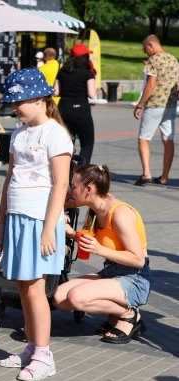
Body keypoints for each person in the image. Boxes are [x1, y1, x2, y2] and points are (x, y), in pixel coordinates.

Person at [0, 68, 73, 381]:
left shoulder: (55, 133)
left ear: (39, 98)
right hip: (17, 216)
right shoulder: (19, 133)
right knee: (23, 286)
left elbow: (61, 183)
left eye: (19, 102)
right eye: (12, 103)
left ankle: (44, 355)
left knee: (36, 288)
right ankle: (32, 346)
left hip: (41, 219)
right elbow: (9, 179)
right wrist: (0, 222)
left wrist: (48, 228)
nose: (14, 108)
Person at [53, 165, 151, 344]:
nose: (70, 191)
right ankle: (116, 314)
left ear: (88, 189)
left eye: (74, 186)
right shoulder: (95, 205)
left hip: (134, 278)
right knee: (58, 297)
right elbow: (60, 200)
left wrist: (100, 250)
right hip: (111, 271)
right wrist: (70, 230)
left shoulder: (119, 213)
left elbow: (138, 260)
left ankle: (128, 314)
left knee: (76, 297)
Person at [134, 35, 179, 187]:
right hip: (171, 105)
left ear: (150, 45)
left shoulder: (153, 60)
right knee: (168, 140)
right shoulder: (173, 60)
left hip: (154, 105)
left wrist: (140, 105)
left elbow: (150, 86)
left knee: (143, 138)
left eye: (145, 49)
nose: (145, 52)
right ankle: (165, 177)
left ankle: (146, 173)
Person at [54, 44, 97, 165]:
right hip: (81, 110)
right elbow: (92, 94)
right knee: (87, 144)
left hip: (64, 110)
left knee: (67, 143)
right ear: (85, 57)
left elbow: (56, 92)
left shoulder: (62, 71)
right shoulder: (87, 73)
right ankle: (81, 171)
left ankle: (66, 169)